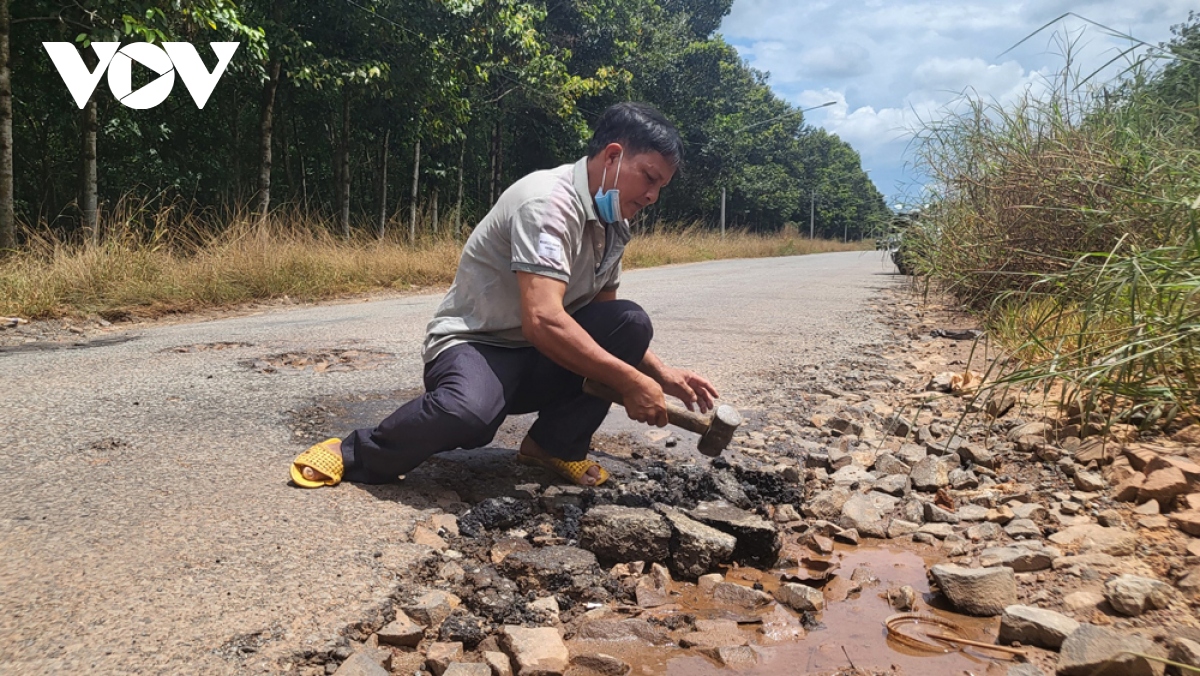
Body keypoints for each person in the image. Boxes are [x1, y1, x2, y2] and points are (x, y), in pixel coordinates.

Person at [289, 102, 719, 489]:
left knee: (631, 323)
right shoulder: (546, 204)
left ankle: (553, 446)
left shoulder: (614, 223)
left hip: (537, 356)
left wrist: (661, 374)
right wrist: (629, 381)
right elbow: (544, 320)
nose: (651, 196)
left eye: (661, 186)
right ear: (612, 156)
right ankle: (357, 452)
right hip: (478, 344)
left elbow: (601, 317)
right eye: (649, 178)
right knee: (468, 415)